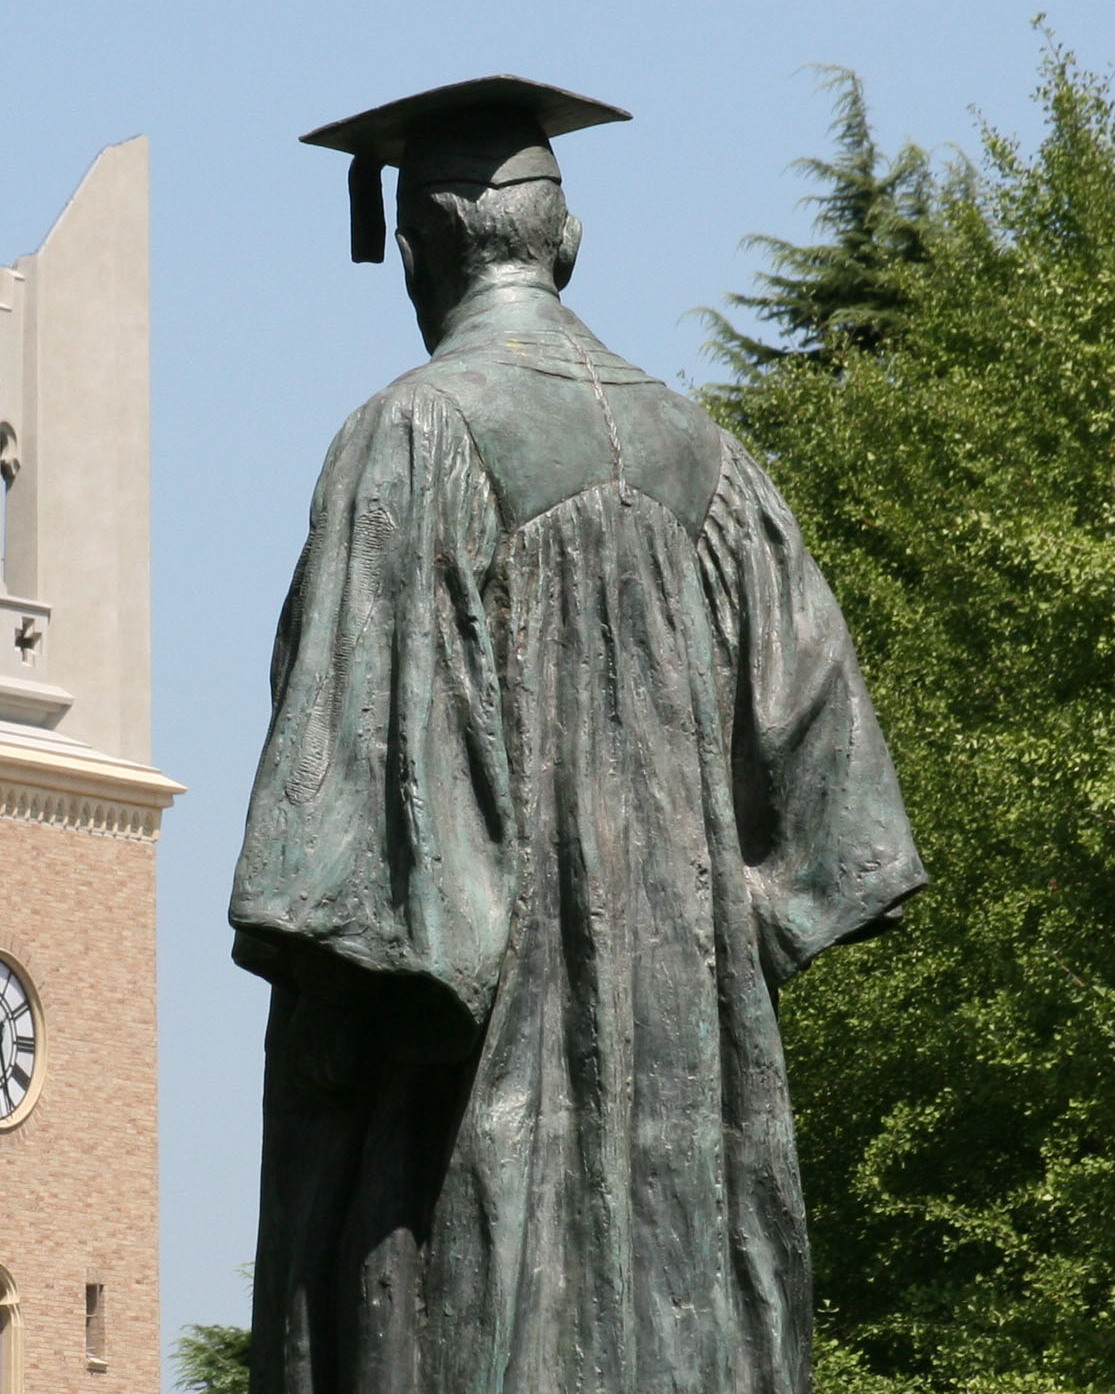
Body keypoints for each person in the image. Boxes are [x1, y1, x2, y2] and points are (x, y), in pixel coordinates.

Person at [228, 77, 927, 1394]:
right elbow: (838, 840)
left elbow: (362, 907)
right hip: (692, 1193)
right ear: (569, 242)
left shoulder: (410, 440)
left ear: (424, 243)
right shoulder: (715, 468)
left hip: (464, 1175)